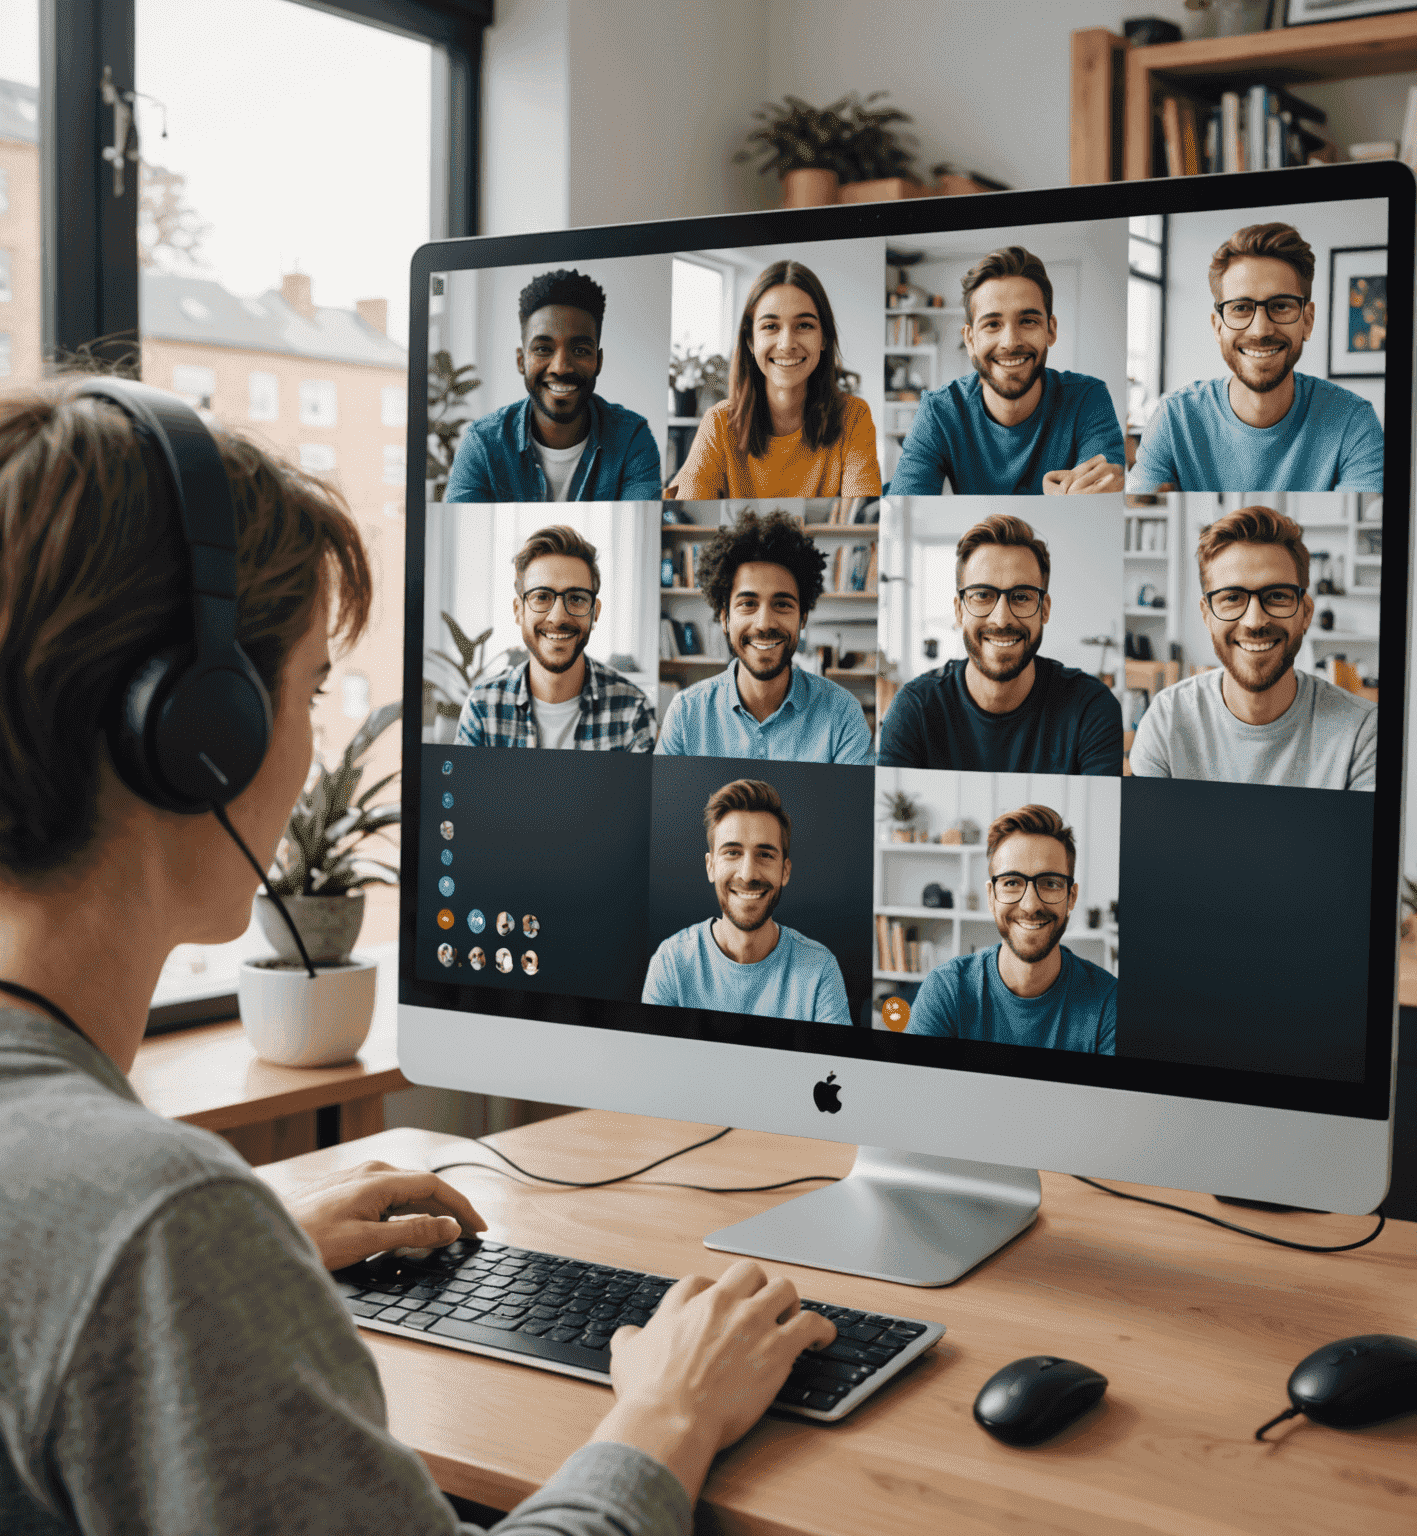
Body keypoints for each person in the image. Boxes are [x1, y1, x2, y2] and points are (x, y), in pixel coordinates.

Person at [0, 379, 836, 1535]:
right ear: (199, 737)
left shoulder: (136, 1232)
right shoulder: (153, 1228)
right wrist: (670, 1412)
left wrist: (248, 1269)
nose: (307, 736)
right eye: (308, 689)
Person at [1130, 505, 1377, 789]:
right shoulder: (1167, 719)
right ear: (1207, 615)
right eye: (1233, 597)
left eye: (1276, 596)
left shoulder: (1362, 733)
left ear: (1306, 611)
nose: (1255, 621)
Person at [1128, 223, 1384, 493]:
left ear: (1307, 321)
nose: (1260, 330)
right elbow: (1136, 514)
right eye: (1240, 308)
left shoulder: (1354, 422)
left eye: (1281, 306)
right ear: (1218, 327)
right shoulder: (1173, 419)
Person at [877, 513, 1122, 774]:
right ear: (959, 611)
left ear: (1044, 609)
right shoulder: (913, 709)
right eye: (982, 595)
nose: (1002, 619)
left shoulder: (1091, 708)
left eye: (1021, 597)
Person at [888, 245, 1124, 497]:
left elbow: (1105, 489)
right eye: (992, 324)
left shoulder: (1088, 398)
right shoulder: (939, 411)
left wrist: (1092, 494)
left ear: (1050, 330)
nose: (1010, 342)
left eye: (1028, 321)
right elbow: (904, 509)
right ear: (969, 339)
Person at [657, 509, 873, 765]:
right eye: (748, 603)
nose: (764, 623)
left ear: (802, 618)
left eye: (782, 604)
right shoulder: (686, 713)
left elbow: (850, 806)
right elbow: (664, 803)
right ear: (725, 618)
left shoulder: (842, 714)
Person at [642, 779, 852, 1026]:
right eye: (732, 852)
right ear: (710, 866)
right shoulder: (671, 963)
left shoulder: (820, 969)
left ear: (785, 871)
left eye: (765, 855)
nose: (748, 874)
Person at [908, 805, 1115, 1050]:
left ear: (1071, 896)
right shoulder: (946, 991)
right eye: (1011, 882)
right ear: (991, 896)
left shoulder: (1109, 1004)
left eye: (1050, 883)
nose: (1030, 905)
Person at [447, 268, 663, 502]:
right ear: (521, 361)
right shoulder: (482, 445)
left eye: (580, 350)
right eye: (543, 349)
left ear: (598, 361)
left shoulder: (632, 439)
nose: (561, 367)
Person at [670, 261, 879, 499]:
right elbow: (688, 524)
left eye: (804, 325)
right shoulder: (719, 423)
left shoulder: (853, 416)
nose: (787, 343)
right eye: (770, 326)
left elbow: (859, 527)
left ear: (823, 338)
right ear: (750, 340)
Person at [457, 523, 656, 751]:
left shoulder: (633, 711)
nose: (558, 617)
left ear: (595, 612)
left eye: (576, 598)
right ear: (518, 611)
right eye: (542, 597)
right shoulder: (482, 708)